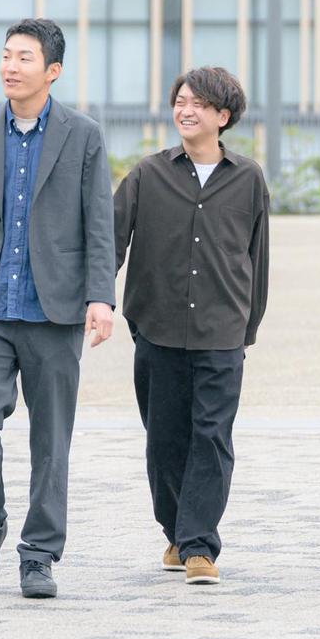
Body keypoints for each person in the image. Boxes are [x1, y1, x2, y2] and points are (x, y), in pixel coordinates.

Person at [0, 18, 116, 599]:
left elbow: (99, 221)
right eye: (6, 55)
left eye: (24, 58)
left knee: (51, 440)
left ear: (53, 70)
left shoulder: (82, 136)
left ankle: (39, 554)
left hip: (55, 310)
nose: (10, 67)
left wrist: (100, 297)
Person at [113, 67, 269, 587]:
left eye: (199, 104)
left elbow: (257, 257)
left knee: (213, 437)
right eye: (181, 101)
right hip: (157, 329)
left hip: (223, 331)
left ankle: (199, 543)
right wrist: (97, 301)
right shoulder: (147, 174)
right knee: (164, 441)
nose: (186, 110)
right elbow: (111, 241)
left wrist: (247, 326)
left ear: (223, 116)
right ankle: (176, 533)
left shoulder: (248, 178)